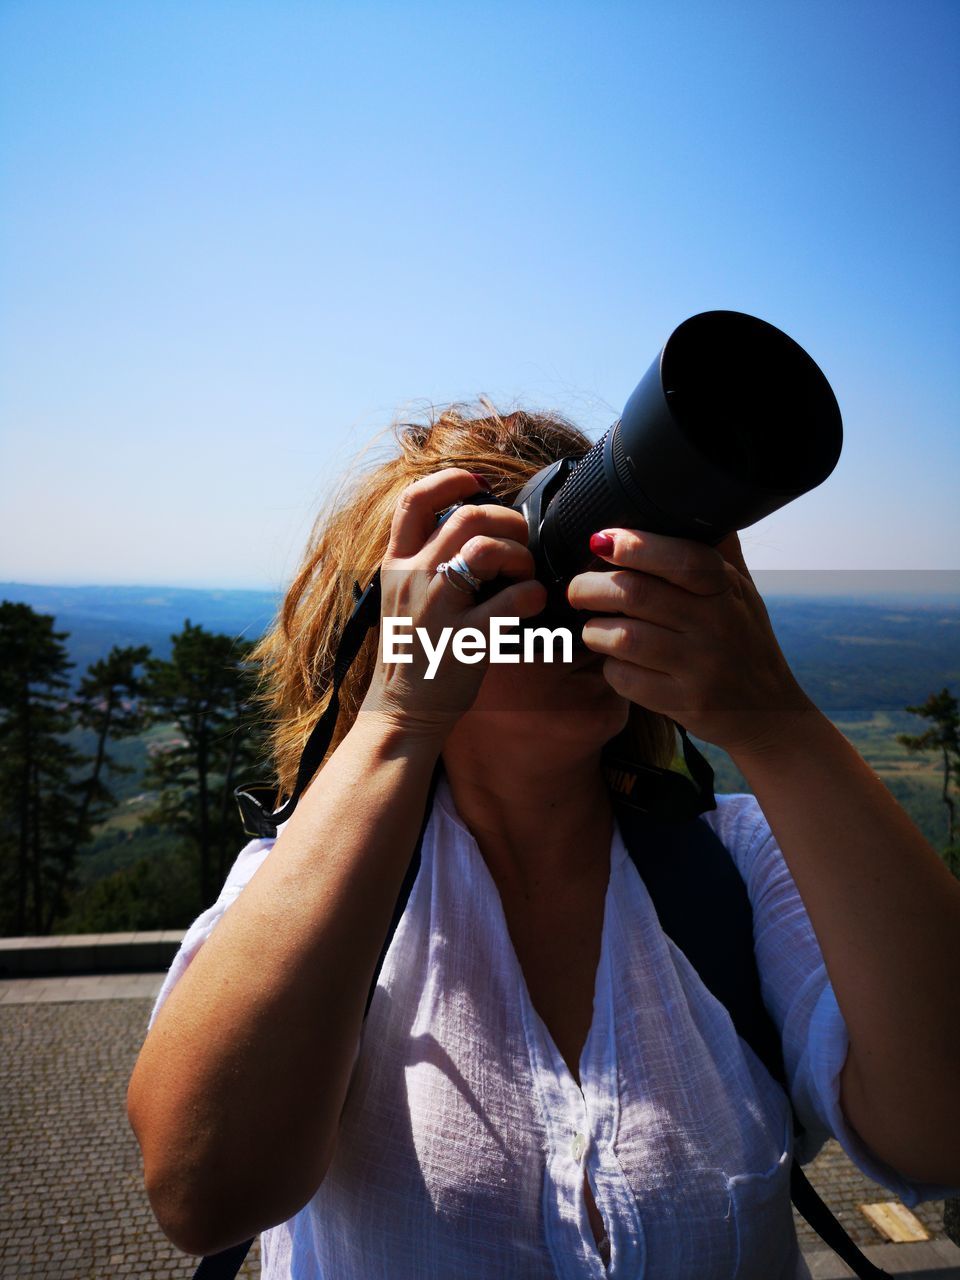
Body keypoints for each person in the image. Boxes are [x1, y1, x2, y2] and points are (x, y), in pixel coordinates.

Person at [127, 400, 960, 1279]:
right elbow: (201, 1191)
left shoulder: (740, 865)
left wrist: (774, 720)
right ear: (388, 624)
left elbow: (941, 1130)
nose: (560, 594)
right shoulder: (300, 889)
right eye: (487, 568)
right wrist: (397, 721)